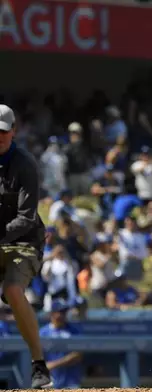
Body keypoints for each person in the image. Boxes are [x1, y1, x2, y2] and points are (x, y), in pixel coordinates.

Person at [0, 104, 51, 388]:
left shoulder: (24, 163)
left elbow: (27, 217)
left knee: (12, 289)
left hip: (24, 242)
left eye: (4, 132)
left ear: (14, 132)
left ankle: (38, 365)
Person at [39, 300, 83, 389]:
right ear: (52, 313)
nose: (62, 315)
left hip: (71, 381)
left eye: (64, 312)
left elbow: (78, 354)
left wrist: (54, 364)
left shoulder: (74, 331)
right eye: (59, 312)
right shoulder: (43, 332)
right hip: (50, 381)